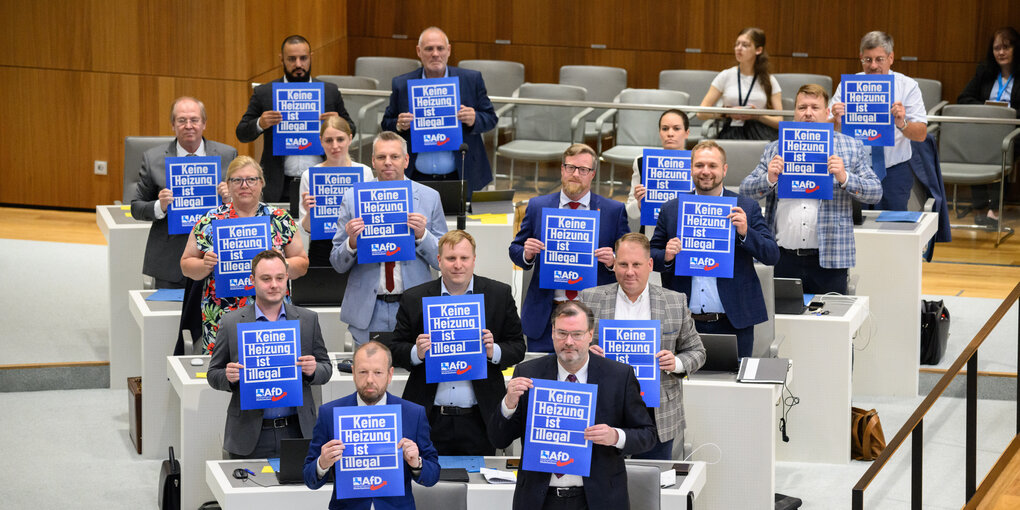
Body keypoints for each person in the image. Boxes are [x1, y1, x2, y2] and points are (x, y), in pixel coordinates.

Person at [487, 301, 657, 510]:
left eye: (576, 334)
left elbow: (647, 435)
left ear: (589, 334)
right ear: (552, 333)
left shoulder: (619, 376)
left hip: (598, 499)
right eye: (562, 333)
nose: (568, 341)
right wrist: (508, 404)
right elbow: (498, 438)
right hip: (539, 499)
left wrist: (615, 436)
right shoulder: (528, 373)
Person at [388, 230, 526, 455]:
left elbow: (518, 347)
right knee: (427, 483)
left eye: (464, 258)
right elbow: (394, 349)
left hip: (480, 417)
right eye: (451, 258)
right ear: (439, 261)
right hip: (430, 416)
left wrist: (494, 351)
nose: (458, 265)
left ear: (474, 260)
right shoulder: (415, 298)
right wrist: (417, 352)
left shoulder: (499, 294)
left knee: (479, 487)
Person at [740, 85, 882, 295]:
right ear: (795, 113)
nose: (808, 113)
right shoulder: (775, 149)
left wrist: (845, 178)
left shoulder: (851, 147)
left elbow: (876, 192)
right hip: (782, 257)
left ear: (827, 113)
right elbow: (745, 192)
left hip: (830, 259)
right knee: (783, 325)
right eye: (802, 107)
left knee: (830, 324)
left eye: (815, 107)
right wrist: (768, 179)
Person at [579, 233, 705, 460]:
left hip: (657, 414)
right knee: (604, 486)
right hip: (603, 408)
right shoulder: (590, 298)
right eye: (623, 264)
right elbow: (569, 346)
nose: (629, 272)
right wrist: (584, 353)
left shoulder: (675, 301)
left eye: (636, 264)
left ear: (649, 265)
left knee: (651, 486)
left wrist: (676, 362)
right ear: (614, 264)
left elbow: (697, 351)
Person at [650, 141, 779, 358]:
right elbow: (652, 255)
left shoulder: (746, 207)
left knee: (733, 389)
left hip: (734, 322)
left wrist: (746, 232)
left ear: (724, 170)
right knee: (684, 386)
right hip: (684, 323)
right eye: (699, 165)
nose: (706, 172)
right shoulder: (672, 209)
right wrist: (667, 255)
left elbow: (771, 255)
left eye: (712, 165)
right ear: (691, 168)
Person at [207, 250, 332, 459]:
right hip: (249, 433)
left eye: (279, 278)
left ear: (287, 279)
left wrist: (313, 370)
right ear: (252, 281)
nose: (274, 285)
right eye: (266, 279)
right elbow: (213, 374)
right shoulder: (232, 322)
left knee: (300, 491)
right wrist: (228, 377)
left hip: (298, 430)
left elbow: (326, 369)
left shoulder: (308, 320)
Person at [180, 155, 309, 353]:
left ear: (262, 183)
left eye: (251, 179)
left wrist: (283, 263)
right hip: (221, 314)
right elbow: (186, 264)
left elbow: (302, 264)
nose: (244, 185)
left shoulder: (279, 219)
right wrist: (205, 264)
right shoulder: (210, 220)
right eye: (237, 180)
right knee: (224, 376)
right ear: (228, 185)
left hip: (272, 312)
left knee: (271, 370)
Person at [509, 143, 629, 352]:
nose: (576, 174)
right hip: (547, 317)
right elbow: (515, 249)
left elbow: (628, 260)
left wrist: (614, 261)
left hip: (594, 317)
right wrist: (527, 254)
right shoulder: (538, 206)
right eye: (571, 167)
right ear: (562, 170)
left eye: (583, 170)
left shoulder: (613, 210)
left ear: (592, 174)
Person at [330, 132, 447, 346]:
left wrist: (422, 235)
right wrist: (352, 243)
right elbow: (337, 263)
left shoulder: (429, 197)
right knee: (369, 377)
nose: (388, 163)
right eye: (381, 157)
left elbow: (444, 261)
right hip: (367, 309)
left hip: (413, 307)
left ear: (406, 160)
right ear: (373, 161)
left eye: (394, 156)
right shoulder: (353, 198)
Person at [304, 341, 440, 510]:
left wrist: (417, 463)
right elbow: (309, 479)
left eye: (377, 372)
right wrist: (322, 463)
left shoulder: (413, 414)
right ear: (353, 373)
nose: (369, 380)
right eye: (363, 372)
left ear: (390, 374)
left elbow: (433, 474)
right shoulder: (329, 414)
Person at [131, 96, 237, 289]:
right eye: (182, 120)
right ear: (173, 124)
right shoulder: (153, 159)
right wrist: (159, 206)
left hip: (219, 257)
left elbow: (251, 204)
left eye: (194, 120)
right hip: (170, 260)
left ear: (204, 123)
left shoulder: (228, 155)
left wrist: (231, 199)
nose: (188, 125)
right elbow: (136, 208)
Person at [236, 34, 356, 202]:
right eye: (292, 59)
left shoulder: (329, 92)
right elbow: (242, 133)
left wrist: (340, 123)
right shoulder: (265, 93)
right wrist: (260, 123)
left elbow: (352, 129)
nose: (298, 64)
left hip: (321, 180)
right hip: (279, 182)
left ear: (311, 58)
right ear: (281, 59)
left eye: (303, 58)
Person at [382, 26, 498, 193]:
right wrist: (399, 125)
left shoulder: (471, 79)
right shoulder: (402, 84)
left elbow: (491, 118)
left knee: (462, 219)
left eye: (440, 48)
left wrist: (475, 119)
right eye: (429, 49)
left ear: (448, 50)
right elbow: (386, 123)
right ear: (419, 51)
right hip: (416, 177)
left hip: (461, 175)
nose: (435, 54)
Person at [832, 31, 928, 211]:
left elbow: (921, 134)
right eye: (867, 60)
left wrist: (902, 124)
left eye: (879, 59)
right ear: (860, 58)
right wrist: (835, 119)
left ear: (891, 58)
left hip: (894, 172)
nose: (873, 65)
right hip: (854, 172)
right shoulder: (848, 86)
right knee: (856, 229)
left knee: (892, 230)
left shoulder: (907, 86)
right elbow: (826, 129)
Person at [957, 26, 1019, 228]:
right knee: (974, 148)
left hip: (1013, 132)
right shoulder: (985, 72)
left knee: (1002, 150)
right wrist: (986, 109)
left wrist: (1008, 112)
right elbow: (964, 98)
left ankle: (995, 208)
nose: (1001, 52)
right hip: (984, 130)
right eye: (996, 48)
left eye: (1006, 47)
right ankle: (981, 207)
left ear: (1015, 49)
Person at [299, 116, 375, 266]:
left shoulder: (364, 172)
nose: (335, 146)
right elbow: (306, 229)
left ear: (350, 138)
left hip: (357, 245)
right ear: (321, 141)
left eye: (340, 139)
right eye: (329, 140)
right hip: (321, 247)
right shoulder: (309, 175)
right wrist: (309, 213)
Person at [698, 27, 783, 140]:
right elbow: (701, 113)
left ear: (758, 50)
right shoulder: (725, 75)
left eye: (745, 45)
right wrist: (726, 113)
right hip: (731, 130)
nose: (738, 48)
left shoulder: (769, 80)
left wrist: (757, 116)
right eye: (737, 44)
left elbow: (779, 122)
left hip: (760, 132)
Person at [625, 109, 690, 222]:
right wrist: (639, 203)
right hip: (652, 233)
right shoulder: (643, 161)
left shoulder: (699, 163)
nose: (670, 133)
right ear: (659, 132)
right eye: (665, 129)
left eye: (676, 128)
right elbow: (631, 213)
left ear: (687, 133)